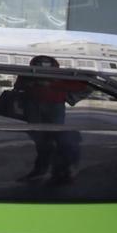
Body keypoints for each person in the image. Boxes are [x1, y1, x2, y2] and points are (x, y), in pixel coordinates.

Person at [12, 55, 87, 185]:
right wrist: (33, 83)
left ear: (54, 66)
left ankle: (61, 172)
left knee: (57, 139)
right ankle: (43, 171)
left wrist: (53, 83)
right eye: (40, 64)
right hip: (34, 105)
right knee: (41, 141)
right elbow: (18, 85)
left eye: (47, 64)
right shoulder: (28, 73)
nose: (43, 66)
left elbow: (81, 85)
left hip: (54, 106)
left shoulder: (62, 74)